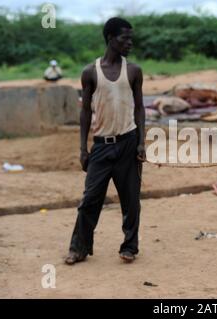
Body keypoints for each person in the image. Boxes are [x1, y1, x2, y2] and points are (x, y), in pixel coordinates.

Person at [65, 17, 146, 265]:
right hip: (101, 146)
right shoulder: (90, 72)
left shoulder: (133, 71)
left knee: (131, 200)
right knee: (90, 199)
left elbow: (140, 108)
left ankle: (130, 246)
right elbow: (86, 112)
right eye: (124, 38)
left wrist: (142, 142)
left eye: (131, 38)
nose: (129, 43)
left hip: (128, 143)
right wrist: (82, 148)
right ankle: (79, 248)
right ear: (110, 38)